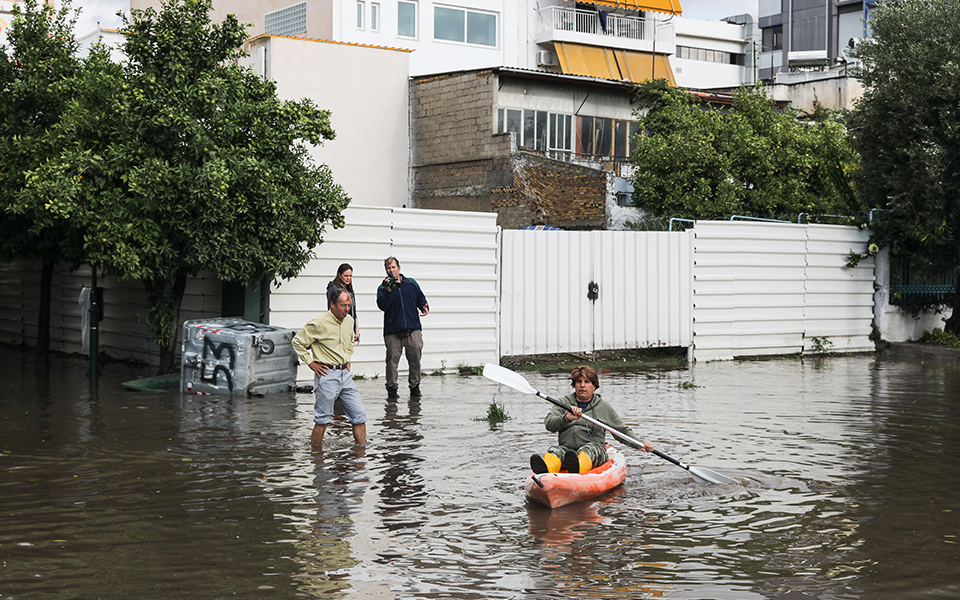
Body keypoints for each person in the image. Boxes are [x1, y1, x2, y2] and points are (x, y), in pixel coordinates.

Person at [530, 366, 654, 474]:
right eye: (579, 381)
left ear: (594, 386)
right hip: (568, 450)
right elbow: (549, 425)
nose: (582, 385)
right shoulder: (563, 403)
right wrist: (566, 418)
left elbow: (621, 431)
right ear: (574, 385)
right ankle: (546, 471)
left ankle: (578, 467)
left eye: (587, 382)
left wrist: (640, 443)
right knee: (555, 450)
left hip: (595, 450)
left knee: (588, 449)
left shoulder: (603, 407)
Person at [292, 289, 367, 448]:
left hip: (345, 375)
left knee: (359, 416)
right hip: (326, 374)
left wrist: (347, 357)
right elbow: (297, 342)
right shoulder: (318, 323)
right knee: (323, 420)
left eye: (348, 305)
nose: (346, 309)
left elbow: (350, 341)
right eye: (343, 305)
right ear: (332, 304)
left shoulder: (349, 321)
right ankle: (316, 458)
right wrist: (311, 363)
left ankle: (361, 456)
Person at [376, 256, 429, 399]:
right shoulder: (382, 288)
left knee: (415, 359)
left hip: (413, 328)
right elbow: (382, 306)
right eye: (388, 268)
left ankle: (415, 387)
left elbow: (420, 297)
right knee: (392, 361)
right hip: (393, 331)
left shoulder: (411, 283)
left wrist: (424, 306)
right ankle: (392, 389)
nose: (391, 270)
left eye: (393, 267)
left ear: (399, 267)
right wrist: (387, 290)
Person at [326, 263, 360, 343]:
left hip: (349, 327)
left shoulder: (349, 290)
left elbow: (353, 311)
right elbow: (332, 310)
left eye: (350, 276)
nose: (348, 278)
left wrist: (356, 331)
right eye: (346, 276)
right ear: (339, 275)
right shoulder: (333, 289)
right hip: (338, 328)